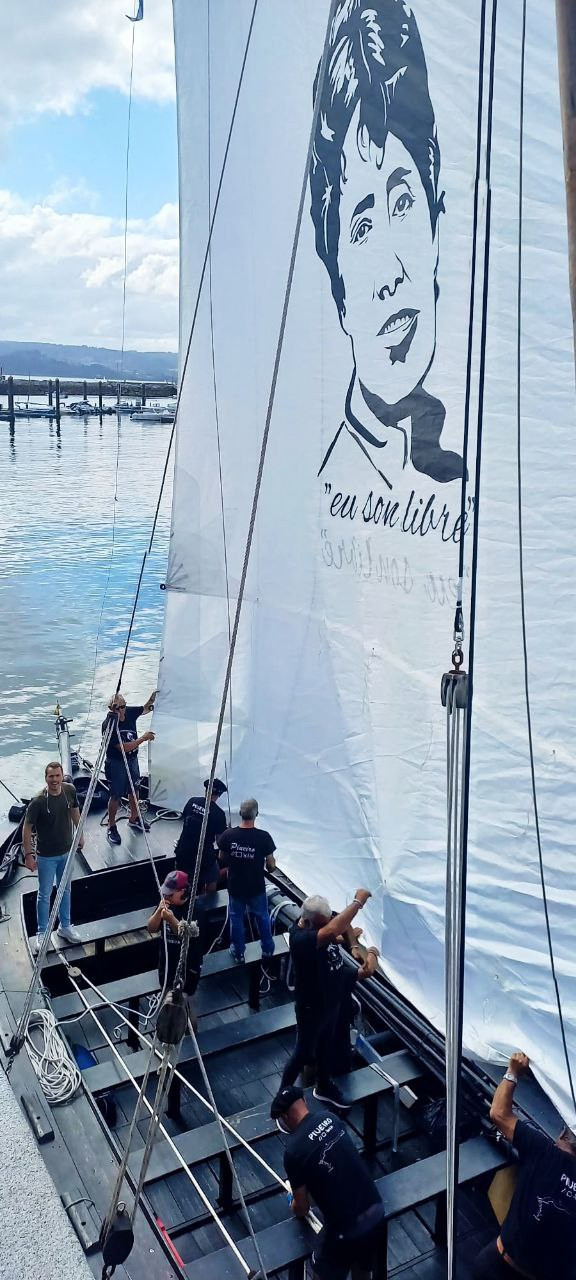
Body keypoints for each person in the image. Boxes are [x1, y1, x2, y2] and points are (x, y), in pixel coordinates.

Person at [310, 0, 463, 488]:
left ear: (435, 225)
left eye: (402, 204)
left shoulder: (467, 470)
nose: (394, 272)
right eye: (362, 227)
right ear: (339, 289)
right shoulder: (338, 473)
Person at [473, 1052, 576, 1280]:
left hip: (498, 1268)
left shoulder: (544, 1152)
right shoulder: (545, 1152)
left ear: (563, 1135)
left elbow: (498, 1113)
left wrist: (513, 1072)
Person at [271, 1085, 387, 1280]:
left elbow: (302, 1208)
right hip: (376, 1212)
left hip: (346, 1229)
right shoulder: (330, 1118)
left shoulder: (293, 1152)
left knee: (322, 1271)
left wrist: (293, 1198)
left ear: (284, 1117)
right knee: (363, 1266)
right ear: (305, 1101)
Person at [281, 890, 379, 1110]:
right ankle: (282, 1097)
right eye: (322, 926)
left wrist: (353, 944)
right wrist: (358, 902)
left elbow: (341, 925)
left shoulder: (319, 923)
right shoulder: (300, 939)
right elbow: (335, 928)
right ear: (308, 922)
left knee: (326, 1045)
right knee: (302, 1053)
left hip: (331, 998)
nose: (327, 927)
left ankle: (323, 1086)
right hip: (311, 1007)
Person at [23, 761, 84, 952]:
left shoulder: (70, 790)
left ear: (62, 775)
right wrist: (28, 855)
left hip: (66, 853)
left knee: (65, 889)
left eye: (58, 776)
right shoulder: (38, 802)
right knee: (45, 894)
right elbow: (27, 829)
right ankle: (42, 933)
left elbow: (74, 810)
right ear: (46, 778)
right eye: (51, 777)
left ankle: (65, 927)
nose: (55, 780)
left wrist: (80, 834)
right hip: (46, 856)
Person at [217, 798, 276, 963]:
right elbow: (271, 866)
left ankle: (238, 952)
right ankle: (268, 950)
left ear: (240, 813)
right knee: (262, 917)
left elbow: (222, 858)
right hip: (256, 887)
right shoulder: (264, 837)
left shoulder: (228, 835)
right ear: (256, 814)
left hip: (235, 887)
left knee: (236, 918)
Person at [102, 691, 156, 846]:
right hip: (116, 762)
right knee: (116, 795)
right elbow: (122, 747)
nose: (121, 711)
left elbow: (145, 709)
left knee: (135, 788)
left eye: (123, 707)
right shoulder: (108, 725)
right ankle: (111, 826)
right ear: (111, 709)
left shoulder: (130, 712)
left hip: (132, 759)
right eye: (117, 708)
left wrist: (152, 698)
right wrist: (143, 739)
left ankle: (134, 817)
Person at [147, 870, 204, 1012]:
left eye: (170, 894)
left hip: (188, 967)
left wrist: (171, 920)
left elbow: (188, 937)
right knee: (166, 1007)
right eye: (165, 893)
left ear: (182, 892)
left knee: (185, 1008)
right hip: (167, 965)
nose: (167, 896)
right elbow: (151, 928)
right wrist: (158, 913)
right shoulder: (166, 904)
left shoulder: (195, 909)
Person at [174, 777, 228, 892]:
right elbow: (220, 841)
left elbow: (185, 820)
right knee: (213, 876)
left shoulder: (192, 801)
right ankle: (208, 903)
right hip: (202, 856)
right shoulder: (219, 814)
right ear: (219, 795)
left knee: (181, 875)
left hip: (183, 850)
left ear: (206, 789)